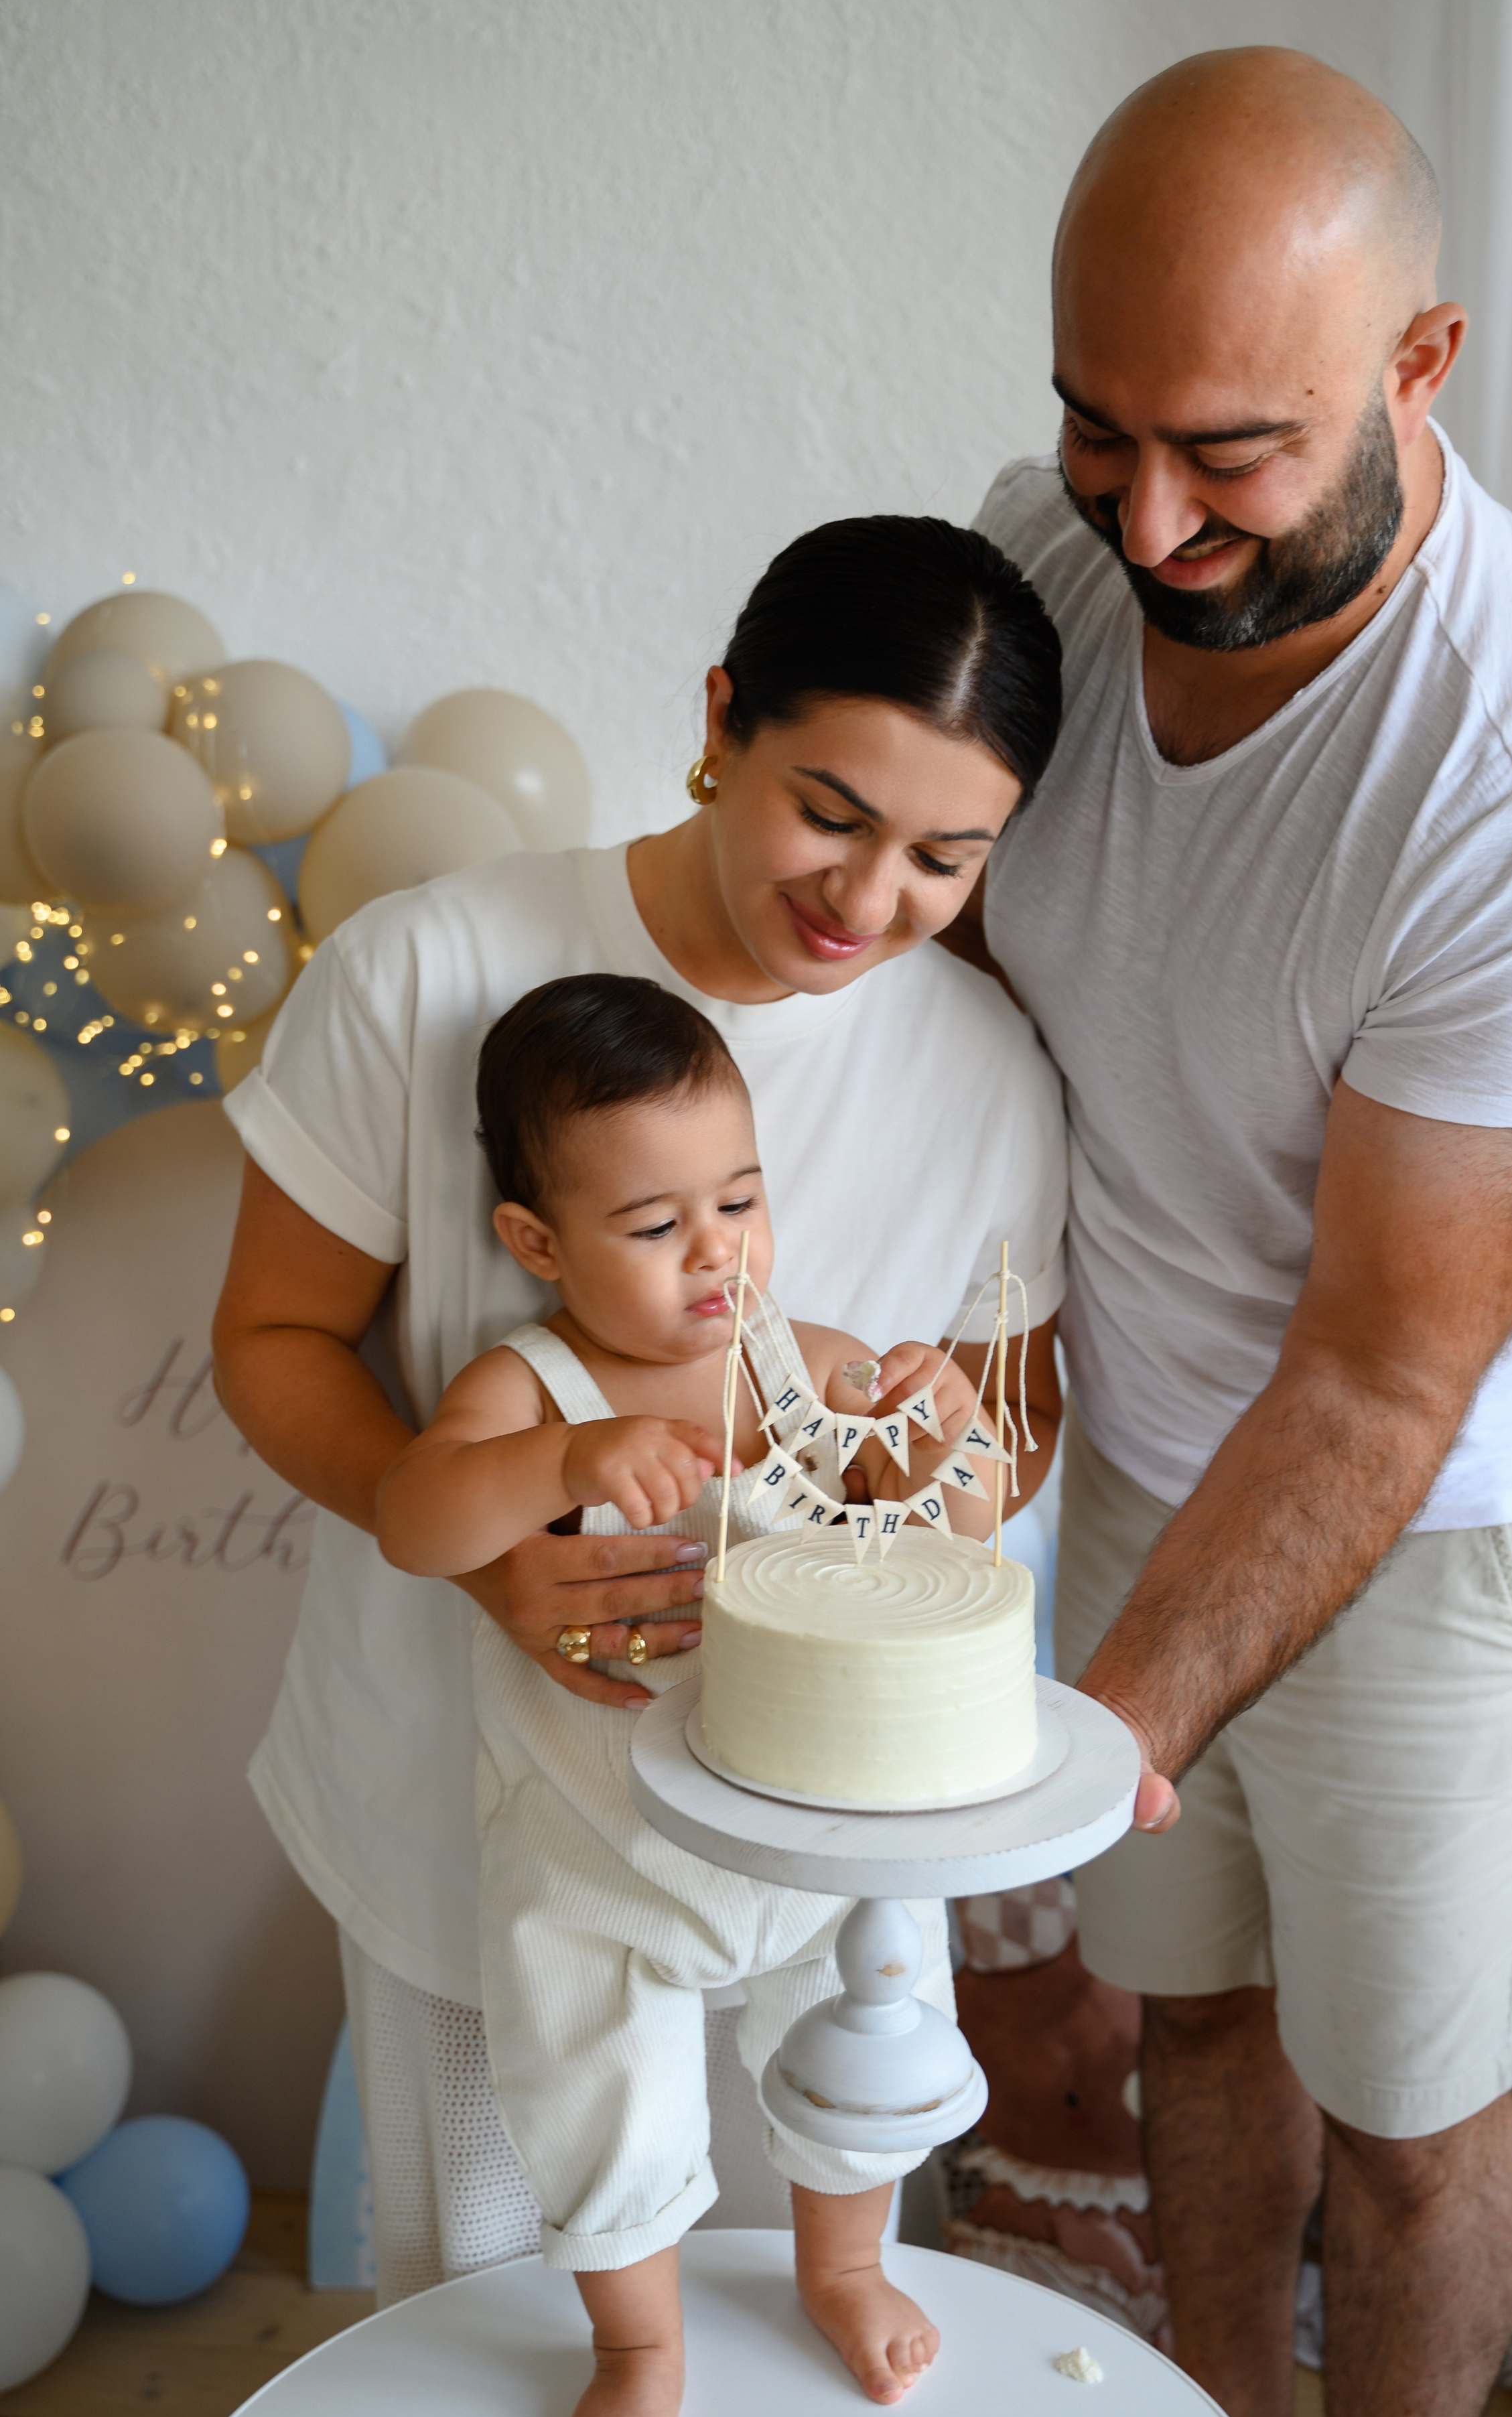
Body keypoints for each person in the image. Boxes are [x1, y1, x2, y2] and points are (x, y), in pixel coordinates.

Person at [959, 47, 1512, 2417]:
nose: (1147, 520)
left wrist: (1102, 1739)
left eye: (1229, 454)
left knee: (1401, 2116)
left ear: (1424, 362)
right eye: (1097, 425)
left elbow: (1392, 1373)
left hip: (1442, 1505)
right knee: (1193, 2016)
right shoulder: (1043, 559)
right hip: (1163, 1427)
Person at [210, 514, 1068, 2309]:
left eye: (942, 857)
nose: (865, 899)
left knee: (792, 2292)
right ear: (720, 720)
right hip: (487, 1794)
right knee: (503, 2313)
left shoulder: (984, 1079)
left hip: (806, 1837)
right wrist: (491, 1553)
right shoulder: (433, 968)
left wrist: (935, 1447)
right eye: (829, 812)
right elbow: (277, 1340)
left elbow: (1004, 1432)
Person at [374, 973, 1000, 2417]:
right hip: (602, 1858)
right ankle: (637, 2344)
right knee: (601, 2094)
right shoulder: (532, 1383)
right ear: (537, 1244)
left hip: (810, 1835)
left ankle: (842, 2268)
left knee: (860, 2033)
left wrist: (937, 1429)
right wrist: (564, 1458)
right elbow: (410, 1520)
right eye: (657, 1229)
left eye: (739, 1199)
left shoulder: (804, 1365)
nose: (718, 1252)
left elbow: (956, 1530)